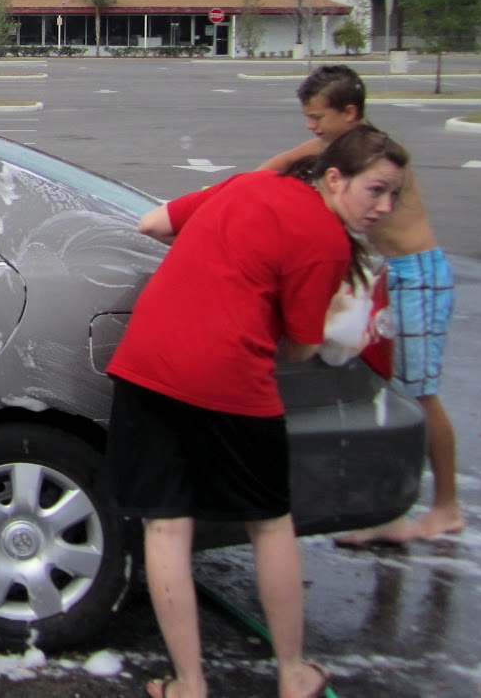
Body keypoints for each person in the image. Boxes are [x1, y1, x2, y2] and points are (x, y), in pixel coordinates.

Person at [112, 126, 410, 698]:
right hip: (230, 380)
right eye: (375, 190)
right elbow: (301, 346)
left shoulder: (251, 184)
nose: (385, 207)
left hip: (148, 361)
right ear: (334, 178)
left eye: (393, 194)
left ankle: (187, 683)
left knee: (167, 522)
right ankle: (293, 672)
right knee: (269, 521)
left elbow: (152, 224)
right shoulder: (326, 240)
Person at [256, 65, 462, 546]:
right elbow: (282, 167)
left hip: (420, 278)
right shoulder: (345, 150)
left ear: (349, 112)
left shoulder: (373, 154)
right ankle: (389, 512)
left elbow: (276, 166)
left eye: (319, 116)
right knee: (389, 390)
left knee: (419, 395)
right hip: (396, 276)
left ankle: (447, 507)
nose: (313, 126)